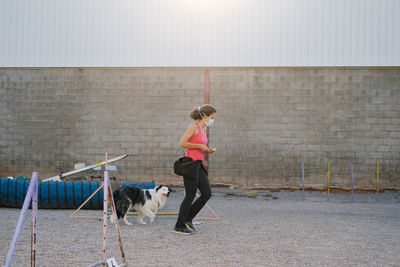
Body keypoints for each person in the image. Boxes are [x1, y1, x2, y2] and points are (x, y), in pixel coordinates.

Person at [173, 104, 217, 235]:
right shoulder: (194, 126)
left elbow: (200, 147)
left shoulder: (203, 128)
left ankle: (188, 219)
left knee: (206, 193)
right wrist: (200, 146)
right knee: (190, 195)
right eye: (212, 117)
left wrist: (207, 149)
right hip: (190, 164)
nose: (212, 120)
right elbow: (182, 143)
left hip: (198, 164)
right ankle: (179, 226)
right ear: (204, 116)